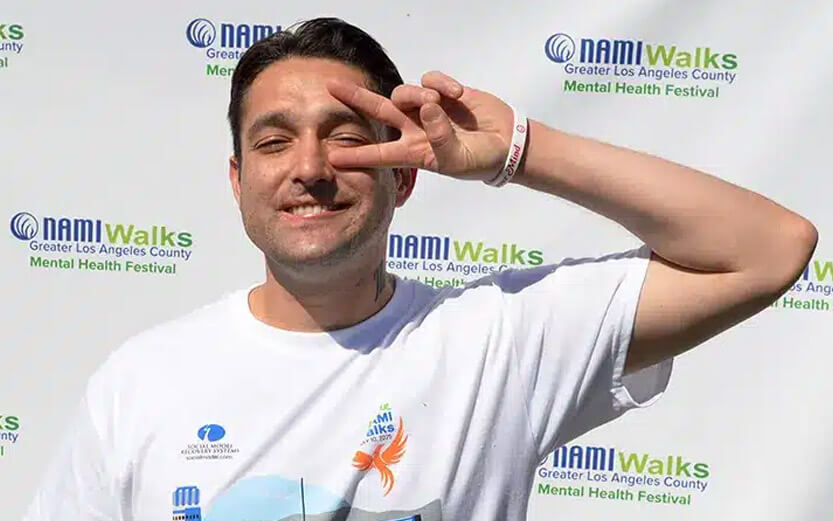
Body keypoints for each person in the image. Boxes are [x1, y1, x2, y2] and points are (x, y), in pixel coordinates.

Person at [24, 17, 815, 521]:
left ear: (403, 176)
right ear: (238, 181)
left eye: (346, 137)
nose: (310, 168)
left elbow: (769, 249)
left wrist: (518, 151)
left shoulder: (498, 341)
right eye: (273, 141)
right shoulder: (139, 383)